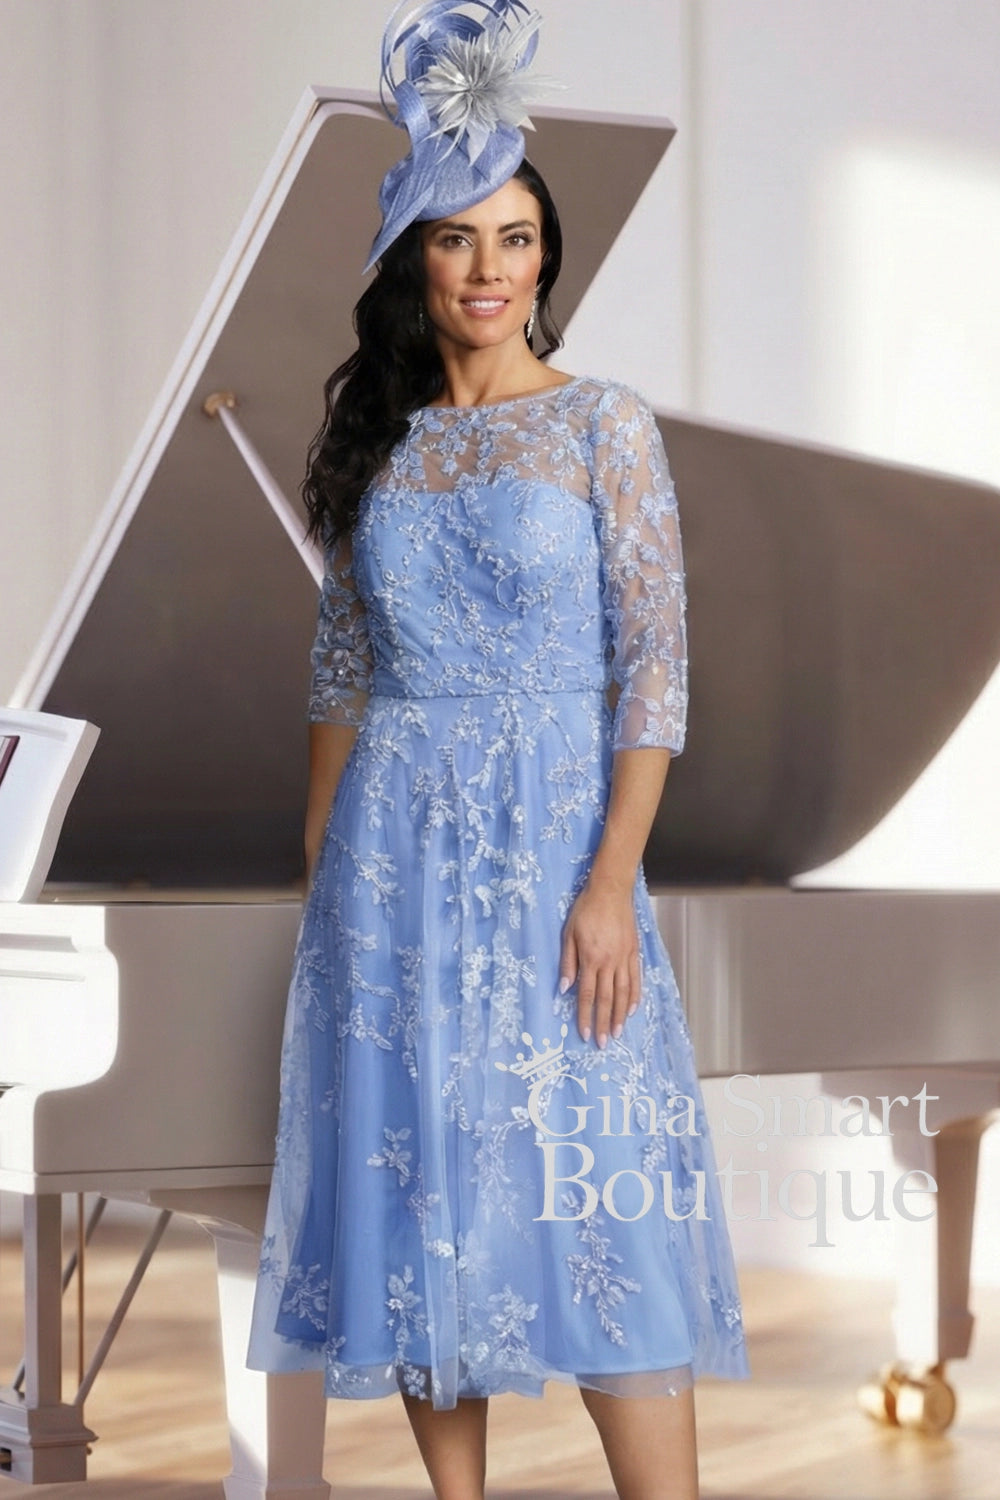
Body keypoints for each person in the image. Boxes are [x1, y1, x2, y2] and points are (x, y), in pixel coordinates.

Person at [248, 3, 749, 1497]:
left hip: (556, 860)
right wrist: (328, 890)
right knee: (423, 1207)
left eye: (516, 239)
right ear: (415, 259)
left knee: (604, 1204)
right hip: (389, 875)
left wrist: (610, 885)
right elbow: (341, 676)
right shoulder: (381, 449)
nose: (489, 269)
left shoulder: (604, 427)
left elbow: (656, 672)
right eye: (458, 239)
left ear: (545, 259)